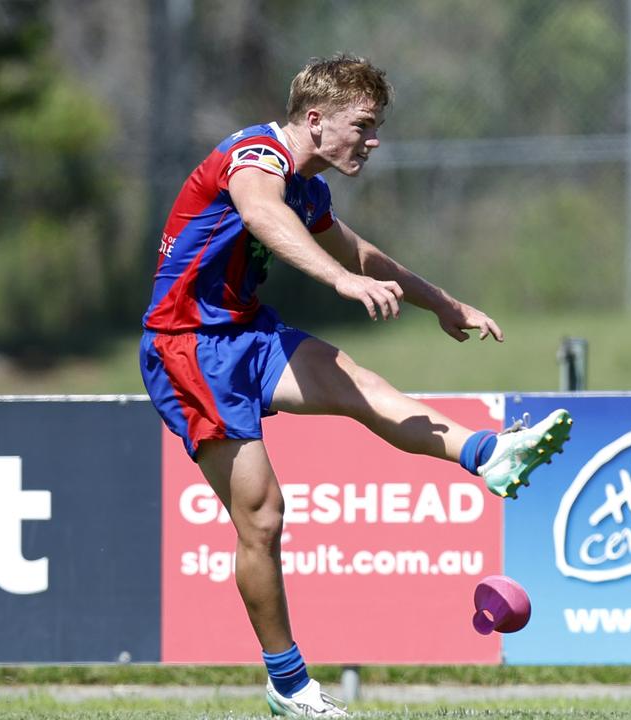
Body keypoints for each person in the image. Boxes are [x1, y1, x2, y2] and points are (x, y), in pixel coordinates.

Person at [138, 53, 573, 718]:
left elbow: (364, 255)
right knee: (262, 516)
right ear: (315, 120)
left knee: (359, 386)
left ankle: (489, 455)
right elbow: (260, 215)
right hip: (188, 347)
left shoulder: (309, 189)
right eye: (363, 126)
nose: (373, 141)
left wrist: (443, 304)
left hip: (246, 333)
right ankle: (289, 686)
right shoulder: (255, 156)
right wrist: (338, 282)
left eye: (376, 128)